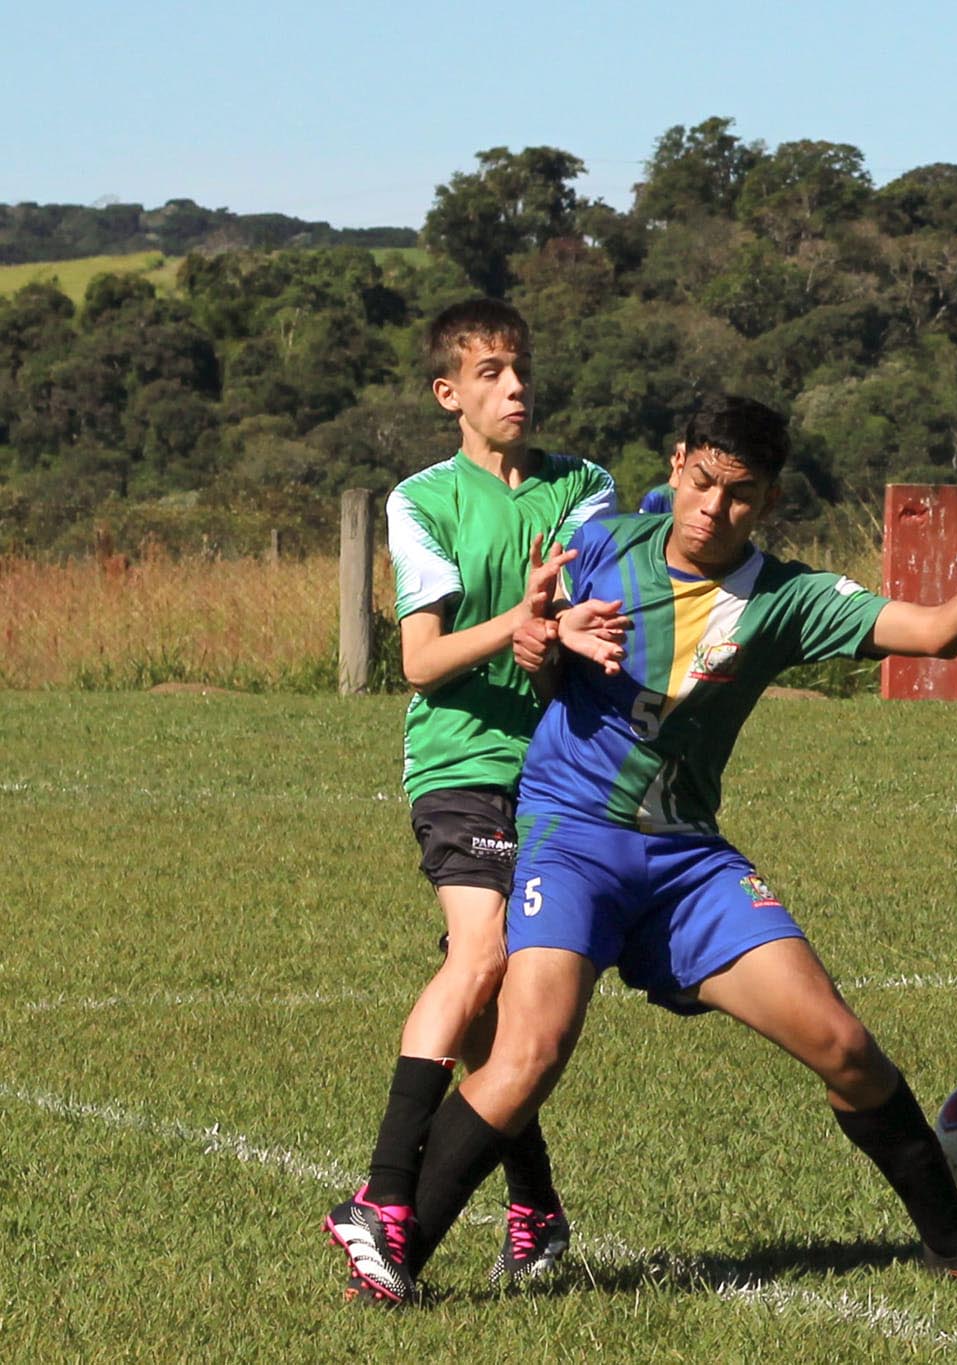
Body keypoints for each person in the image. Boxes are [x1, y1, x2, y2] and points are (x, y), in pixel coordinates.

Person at [376, 394, 957, 1298]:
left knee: (844, 1046)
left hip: (685, 862)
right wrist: (544, 636)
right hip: (572, 842)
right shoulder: (601, 545)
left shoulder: (784, 600)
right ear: (676, 467)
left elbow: (938, 633)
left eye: (739, 494)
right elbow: (532, 650)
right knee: (527, 1057)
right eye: (702, 482)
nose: (713, 508)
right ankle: (395, 1262)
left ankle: (956, 1246)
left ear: (769, 500)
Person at [324, 298, 618, 1306]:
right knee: (480, 954)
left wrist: (561, 634)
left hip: (563, 773)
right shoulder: (424, 500)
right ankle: (385, 1197)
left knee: (513, 1004)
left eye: (521, 369)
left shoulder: (586, 489)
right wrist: (517, 627)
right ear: (449, 394)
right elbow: (420, 661)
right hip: (461, 765)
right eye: (491, 372)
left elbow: (589, 618)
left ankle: (532, 1204)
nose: (516, 387)